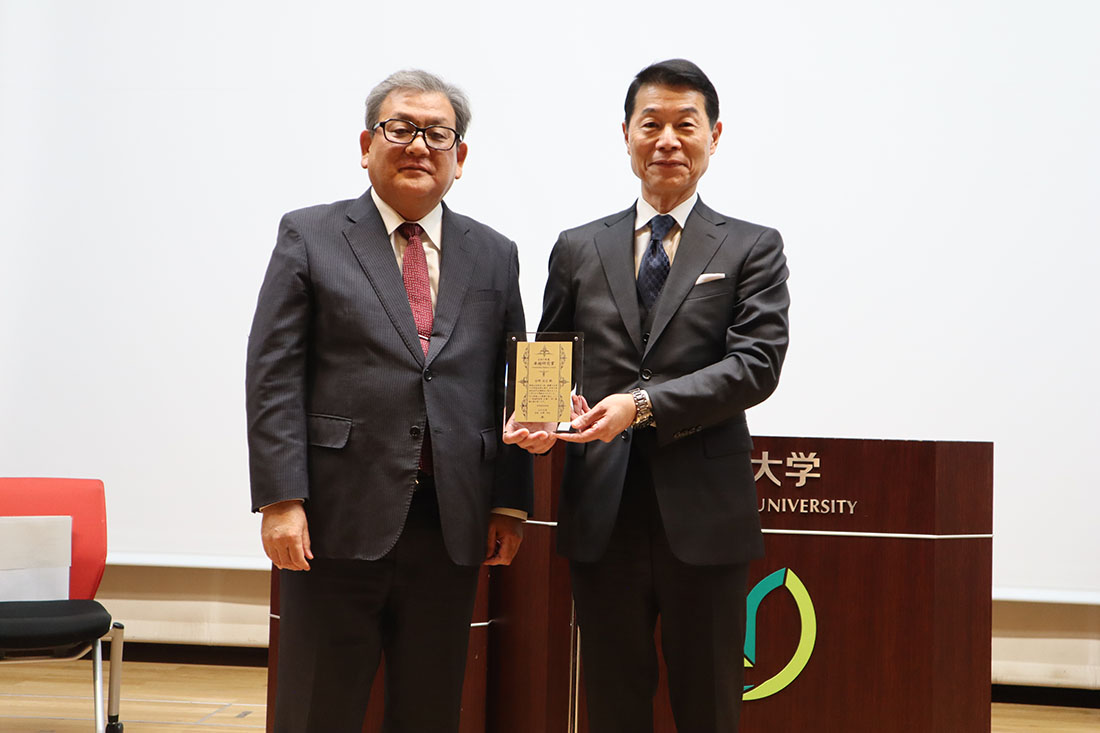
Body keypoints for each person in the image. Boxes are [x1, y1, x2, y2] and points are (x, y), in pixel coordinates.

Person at [246, 69, 532, 733]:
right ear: (366, 144)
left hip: (451, 521)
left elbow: (514, 384)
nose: (419, 145)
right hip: (334, 518)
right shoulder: (311, 234)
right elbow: (273, 373)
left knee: (430, 707)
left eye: (437, 134)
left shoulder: (495, 253)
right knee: (318, 708)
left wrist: (510, 500)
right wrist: (281, 499)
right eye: (400, 129)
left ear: (460, 155)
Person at [511, 59, 790, 732]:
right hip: (600, 514)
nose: (667, 140)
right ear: (627, 135)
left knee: (709, 704)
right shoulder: (577, 246)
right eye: (651, 124)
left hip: (705, 515)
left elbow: (755, 366)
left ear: (714, 136)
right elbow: (550, 356)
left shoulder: (752, 246)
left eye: (685, 125)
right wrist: (538, 419)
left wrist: (640, 406)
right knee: (612, 701)